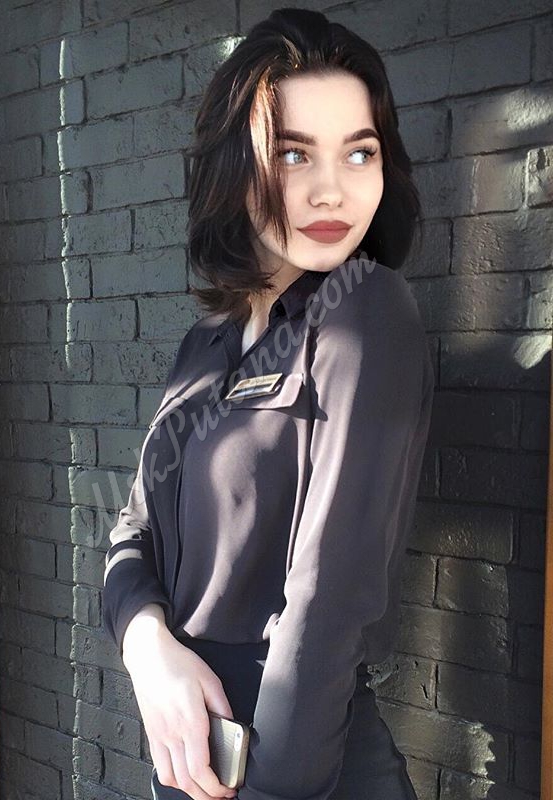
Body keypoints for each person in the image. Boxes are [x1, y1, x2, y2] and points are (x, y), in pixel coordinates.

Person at [101, 7, 434, 800]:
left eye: (360, 152)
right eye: (293, 153)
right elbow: (132, 530)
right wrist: (149, 648)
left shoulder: (366, 310)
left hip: (298, 770)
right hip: (194, 760)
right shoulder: (204, 345)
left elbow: (330, 601)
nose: (332, 189)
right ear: (235, 166)